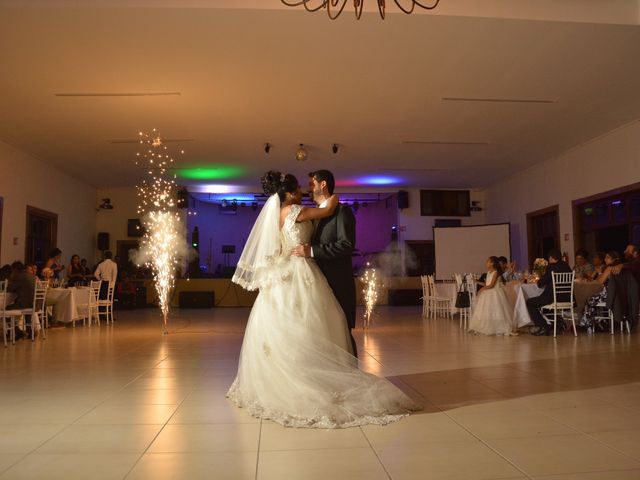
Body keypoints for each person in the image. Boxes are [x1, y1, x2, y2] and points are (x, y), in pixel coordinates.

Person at [227, 170, 419, 429]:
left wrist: (313, 245)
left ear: (322, 184)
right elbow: (327, 211)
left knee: (310, 326)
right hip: (300, 272)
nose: (304, 190)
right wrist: (332, 201)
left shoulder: (284, 213)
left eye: (310, 184)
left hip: (298, 274)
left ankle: (333, 376)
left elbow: (341, 241)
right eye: (300, 188)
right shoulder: (300, 211)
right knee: (309, 325)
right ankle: (314, 379)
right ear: (289, 192)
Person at [292, 170, 358, 357]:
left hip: (337, 284)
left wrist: (311, 251)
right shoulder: (315, 214)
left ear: (323, 184)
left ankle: (353, 378)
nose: (308, 188)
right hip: (315, 286)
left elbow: (346, 245)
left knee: (343, 336)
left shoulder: (342, 211)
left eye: (312, 183)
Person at [525, 249, 572, 336]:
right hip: (567, 297)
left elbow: (540, 284)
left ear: (550, 258)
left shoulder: (551, 267)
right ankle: (557, 323)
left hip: (553, 297)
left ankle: (543, 326)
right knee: (544, 305)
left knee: (530, 302)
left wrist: (539, 279)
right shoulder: (566, 266)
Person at [468, 256, 515, 335]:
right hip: (488, 292)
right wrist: (477, 281)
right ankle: (487, 326)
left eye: (488, 261)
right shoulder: (489, 272)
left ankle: (498, 327)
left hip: (494, 293)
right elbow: (487, 284)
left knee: (497, 311)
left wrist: (482, 289)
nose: (486, 263)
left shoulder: (496, 272)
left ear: (492, 263)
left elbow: (492, 285)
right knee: (487, 311)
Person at [580, 251, 620, 331]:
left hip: (609, 295)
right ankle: (600, 322)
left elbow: (599, 282)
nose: (605, 259)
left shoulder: (609, 268)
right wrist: (599, 273)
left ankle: (589, 324)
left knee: (588, 299)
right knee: (593, 298)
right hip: (618, 295)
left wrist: (600, 273)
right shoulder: (619, 268)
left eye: (607, 257)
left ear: (613, 259)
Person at [6, 261, 36, 339]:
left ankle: (17, 331)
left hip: (24, 304)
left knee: (5, 309)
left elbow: (9, 289)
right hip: (34, 304)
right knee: (26, 306)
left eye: (12, 270)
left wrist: (11, 279)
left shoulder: (20, 277)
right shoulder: (31, 276)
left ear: (15, 270)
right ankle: (30, 330)